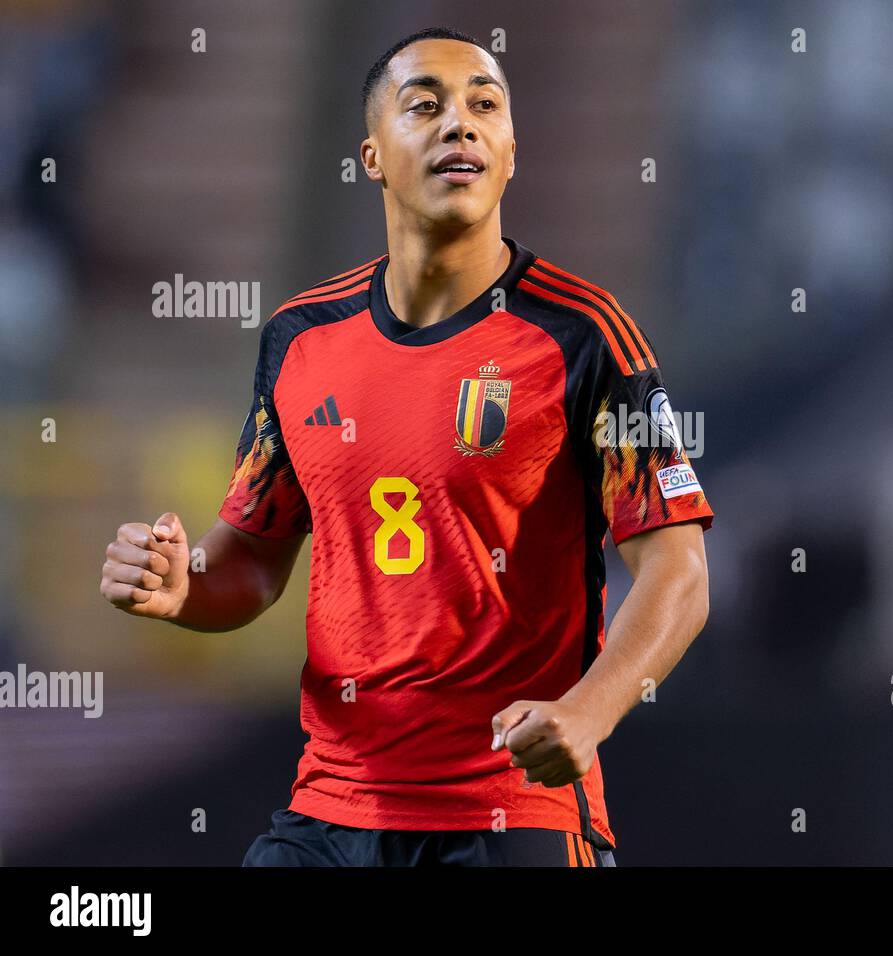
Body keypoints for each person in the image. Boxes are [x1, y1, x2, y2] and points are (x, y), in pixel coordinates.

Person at [98, 27, 713, 867]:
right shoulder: (301, 337)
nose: (458, 124)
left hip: (510, 817)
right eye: (424, 106)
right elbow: (250, 560)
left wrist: (589, 711)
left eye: (483, 107)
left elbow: (678, 570)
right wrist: (182, 587)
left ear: (508, 153)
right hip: (329, 813)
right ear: (373, 155)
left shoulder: (585, 334)